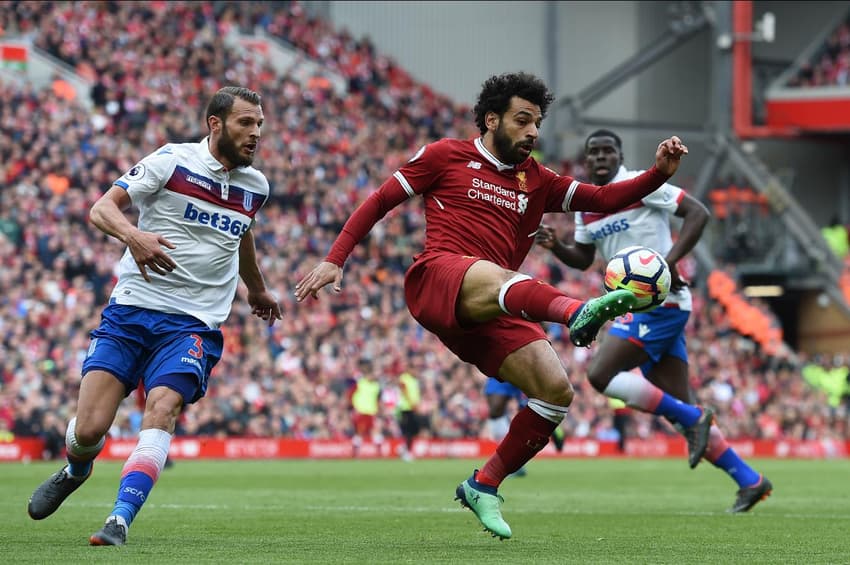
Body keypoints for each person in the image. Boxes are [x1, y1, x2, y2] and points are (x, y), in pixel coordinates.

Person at [294, 72, 688, 539]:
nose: (533, 132)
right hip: (439, 277)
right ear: (491, 119)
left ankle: (484, 484)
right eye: (523, 121)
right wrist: (335, 259)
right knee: (503, 276)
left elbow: (604, 197)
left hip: (494, 303)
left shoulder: (538, 180)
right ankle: (575, 312)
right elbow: (380, 201)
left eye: (537, 123)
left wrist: (658, 173)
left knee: (555, 392)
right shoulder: (445, 156)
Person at [26, 86, 282, 545]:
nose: (256, 133)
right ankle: (76, 468)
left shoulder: (255, 187)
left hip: (193, 324)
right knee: (88, 430)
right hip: (132, 311)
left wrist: (257, 288)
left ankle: (119, 519)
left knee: (162, 408)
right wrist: (135, 238)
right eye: (246, 123)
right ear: (215, 124)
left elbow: (241, 234)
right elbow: (101, 208)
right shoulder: (171, 161)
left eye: (260, 124)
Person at [535, 129, 772, 513]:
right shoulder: (586, 205)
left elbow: (698, 212)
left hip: (662, 302)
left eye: (607, 151)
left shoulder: (637, 185)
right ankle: (750, 481)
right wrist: (555, 245)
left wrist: (670, 262)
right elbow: (582, 256)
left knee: (600, 375)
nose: (599, 158)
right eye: (592, 152)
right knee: (680, 409)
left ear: (619, 155)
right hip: (638, 307)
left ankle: (694, 419)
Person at [484, 376, 565, 478]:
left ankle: (550, 425)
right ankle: (511, 463)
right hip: (499, 369)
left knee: (527, 408)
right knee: (495, 411)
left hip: (520, 366)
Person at [396, 370, 423, 461]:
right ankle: (406, 451)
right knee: (408, 431)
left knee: (414, 430)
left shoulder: (415, 380)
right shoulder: (404, 378)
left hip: (413, 408)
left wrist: (417, 405)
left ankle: (404, 448)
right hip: (405, 408)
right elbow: (404, 390)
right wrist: (411, 403)